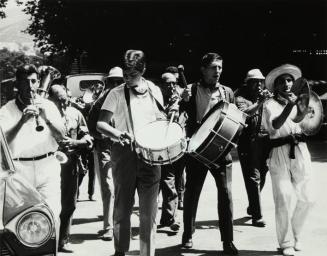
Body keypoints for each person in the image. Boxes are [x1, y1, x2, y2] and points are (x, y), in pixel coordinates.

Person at [97, 50, 168, 256]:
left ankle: (147, 253)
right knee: (122, 210)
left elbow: (161, 119)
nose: (127, 78)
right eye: (125, 74)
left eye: (132, 74)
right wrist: (118, 133)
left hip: (151, 155)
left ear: (143, 70)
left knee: (148, 213)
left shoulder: (154, 90)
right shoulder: (116, 93)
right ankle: (121, 252)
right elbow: (101, 124)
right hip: (124, 154)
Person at [180, 53, 238, 255]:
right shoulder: (191, 90)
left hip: (221, 152)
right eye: (214, 67)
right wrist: (181, 100)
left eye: (220, 67)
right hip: (197, 151)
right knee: (192, 194)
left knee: (226, 195)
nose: (218, 71)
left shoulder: (227, 92)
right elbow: (182, 116)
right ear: (203, 70)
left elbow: (234, 118)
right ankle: (187, 233)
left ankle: (228, 241)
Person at [0, 64, 65, 241]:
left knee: (52, 215)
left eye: (34, 81)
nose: (30, 86)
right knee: (23, 221)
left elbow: (62, 136)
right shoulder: (6, 110)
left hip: (48, 167)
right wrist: (21, 122)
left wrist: (47, 119)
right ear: (17, 84)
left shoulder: (48, 106)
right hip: (20, 171)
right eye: (26, 82)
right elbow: (2, 143)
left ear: (38, 83)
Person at [262, 64, 315, 256]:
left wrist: (305, 110)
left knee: (308, 198)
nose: (286, 84)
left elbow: (303, 121)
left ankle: (296, 233)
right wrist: (291, 106)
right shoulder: (269, 104)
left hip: (300, 150)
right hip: (279, 152)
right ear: (275, 86)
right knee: (283, 197)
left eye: (289, 80)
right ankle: (285, 243)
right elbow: (276, 124)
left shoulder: (296, 101)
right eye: (281, 81)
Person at [48, 84, 93, 253]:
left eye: (65, 102)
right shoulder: (44, 116)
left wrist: (76, 142)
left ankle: (63, 240)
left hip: (70, 165)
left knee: (69, 203)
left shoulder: (75, 113)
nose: (63, 106)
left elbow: (88, 139)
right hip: (47, 164)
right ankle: (46, 239)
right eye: (58, 102)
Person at [88, 66, 124, 240]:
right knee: (108, 187)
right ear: (108, 82)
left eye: (119, 81)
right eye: (113, 81)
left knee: (123, 187)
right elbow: (92, 128)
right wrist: (106, 136)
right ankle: (108, 227)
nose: (116, 84)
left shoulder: (127, 99)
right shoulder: (99, 102)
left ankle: (118, 225)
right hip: (104, 149)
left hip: (123, 149)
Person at [234, 68, 270, 227]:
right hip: (248, 141)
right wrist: (260, 102)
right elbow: (244, 114)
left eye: (260, 82)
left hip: (265, 140)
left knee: (263, 173)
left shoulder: (264, 96)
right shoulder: (239, 97)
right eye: (254, 82)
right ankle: (257, 215)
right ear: (247, 83)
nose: (258, 85)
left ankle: (252, 204)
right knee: (253, 177)